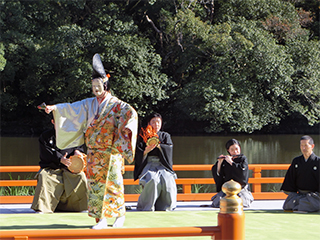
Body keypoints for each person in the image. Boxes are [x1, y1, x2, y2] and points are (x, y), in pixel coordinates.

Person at [44, 53, 138, 229]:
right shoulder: (89, 104)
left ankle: (120, 215)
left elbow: (130, 112)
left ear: (105, 85)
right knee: (95, 187)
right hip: (94, 152)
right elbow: (72, 108)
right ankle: (100, 219)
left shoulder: (116, 104)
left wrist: (127, 127)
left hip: (111, 152)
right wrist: (55, 108)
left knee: (114, 184)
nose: (95, 89)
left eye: (98, 85)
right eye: (93, 86)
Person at [31, 117, 88, 213]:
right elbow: (46, 153)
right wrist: (60, 159)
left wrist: (77, 152)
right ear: (53, 122)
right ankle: (43, 207)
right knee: (44, 176)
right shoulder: (46, 136)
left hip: (70, 168)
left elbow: (78, 147)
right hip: (52, 168)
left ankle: (82, 207)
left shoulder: (73, 135)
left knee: (80, 176)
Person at [134, 113, 177, 211]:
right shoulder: (143, 135)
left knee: (167, 180)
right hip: (148, 164)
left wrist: (159, 146)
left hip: (162, 165)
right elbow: (138, 152)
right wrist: (146, 151)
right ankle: (146, 206)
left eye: (158, 122)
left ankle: (166, 206)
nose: (156, 124)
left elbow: (169, 148)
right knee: (152, 180)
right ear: (149, 123)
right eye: (153, 122)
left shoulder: (165, 135)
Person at [280, 135, 320, 212]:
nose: (303, 148)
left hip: (314, 195)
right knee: (288, 205)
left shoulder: (318, 162)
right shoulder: (296, 161)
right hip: (299, 195)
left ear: (312, 146)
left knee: (306, 204)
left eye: (305, 145)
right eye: (301, 145)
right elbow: (291, 179)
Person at [211, 139, 253, 208]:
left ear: (240, 148)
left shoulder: (243, 159)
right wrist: (220, 163)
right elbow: (218, 174)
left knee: (243, 203)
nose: (235, 151)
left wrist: (231, 163)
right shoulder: (225, 161)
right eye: (232, 149)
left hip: (241, 189)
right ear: (228, 150)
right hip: (228, 189)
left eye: (237, 149)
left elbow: (243, 174)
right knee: (217, 203)